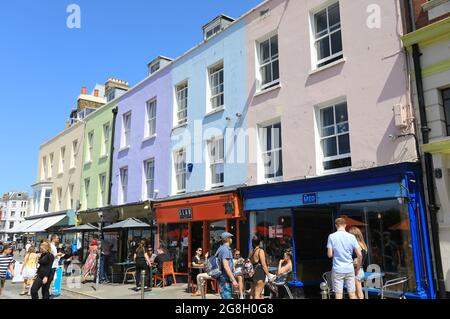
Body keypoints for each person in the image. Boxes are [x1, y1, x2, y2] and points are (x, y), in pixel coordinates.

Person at [327, 217, 362, 300]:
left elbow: (329, 255)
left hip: (337, 269)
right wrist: (357, 269)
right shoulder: (352, 237)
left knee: (338, 295)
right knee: (352, 295)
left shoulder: (331, 236)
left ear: (336, 225)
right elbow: (360, 255)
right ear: (345, 225)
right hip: (349, 269)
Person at [216, 232, 238, 300]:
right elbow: (226, 266)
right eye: (230, 237)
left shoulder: (221, 248)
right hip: (224, 278)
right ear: (228, 239)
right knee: (226, 297)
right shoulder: (225, 250)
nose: (231, 239)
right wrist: (233, 280)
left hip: (223, 277)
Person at [349, 227, 369, 299]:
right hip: (360, 270)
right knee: (359, 291)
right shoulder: (363, 244)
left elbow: (357, 260)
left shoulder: (357, 245)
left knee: (355, 292)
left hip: (356, 270)